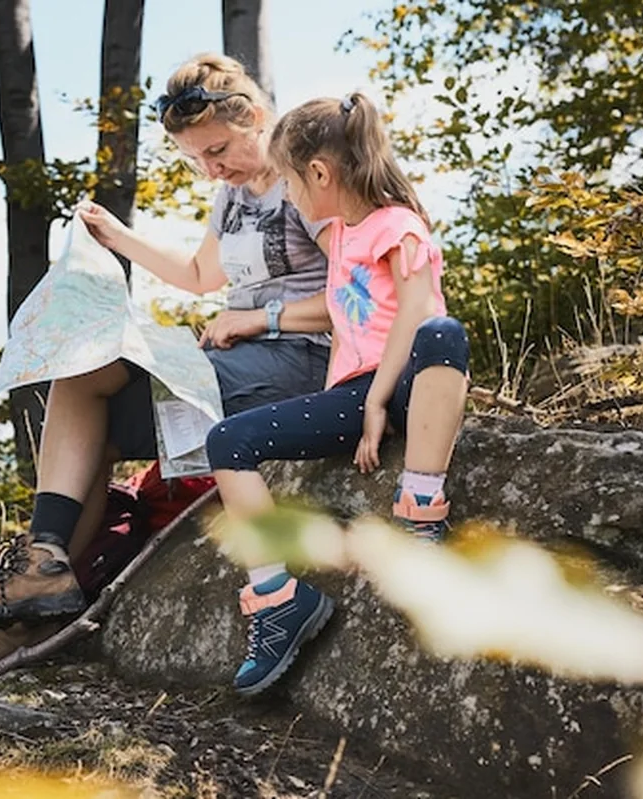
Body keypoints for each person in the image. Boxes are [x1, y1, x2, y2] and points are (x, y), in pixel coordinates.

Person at [0, 53, 334, 683]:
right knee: (84, 377)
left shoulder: (307, 179)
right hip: (240, 360)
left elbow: (358, 296)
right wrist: (116, 236)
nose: (211, 168)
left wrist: (259, 319)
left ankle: (35, 601)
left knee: (104, 394)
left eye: (218, 150)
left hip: (301, 362)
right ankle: (43, 575)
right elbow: (200, 275)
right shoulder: (231, 196)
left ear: (257, 117)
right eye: (196, 159)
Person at [201, 91, 471, 696]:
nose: (288, 195)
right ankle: (278, 599)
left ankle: (420, 513)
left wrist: (378, 400)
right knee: (227, 441)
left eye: (291, 183)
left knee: (444, 333)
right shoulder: (342, 237)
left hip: (411, 381)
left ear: (320, 174)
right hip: (353, 392)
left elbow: (417, 313)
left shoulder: (399, 226)